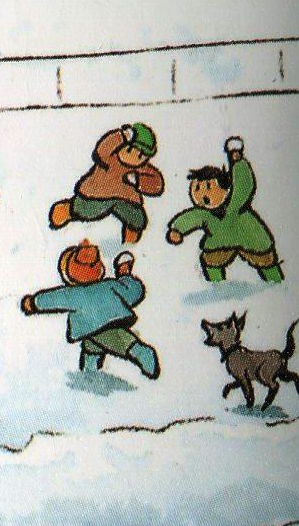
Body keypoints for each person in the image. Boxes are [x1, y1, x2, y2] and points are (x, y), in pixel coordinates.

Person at [23, 241, 160, 380]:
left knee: (124, 343)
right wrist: (125, 274)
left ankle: (144, 353)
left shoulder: (73, 294)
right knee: (92, 348)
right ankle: (89, 374)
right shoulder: (109, 285)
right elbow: (133, 292)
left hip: (102, 328)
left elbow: (52, 299)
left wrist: (33, 303)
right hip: (99, 328)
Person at [167, 136, 283, 283]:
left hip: (251, 237)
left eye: (209, 187)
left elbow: (244, 184)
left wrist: (238, 161)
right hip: (220, 241)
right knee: (211, 260)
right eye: (197, 189)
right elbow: (191, 217)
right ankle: (217, 286)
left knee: (266, 260)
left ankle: (277, 282)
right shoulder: (205, 214)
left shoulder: (235, 202)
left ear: (225, 188)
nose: (203, 196)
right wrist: (177, 230)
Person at [50, 123, 165, 239]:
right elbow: (102, 150)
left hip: (126, 199)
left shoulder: (142, 168)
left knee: (137, 220)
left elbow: (157, 184)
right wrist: (123, 135)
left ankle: (130, 242)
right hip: (98, 194)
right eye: (130, 150)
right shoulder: (110, 158)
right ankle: (65, 211)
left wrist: (138, 180)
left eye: (142, 156)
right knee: (83, 210)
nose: (136, 157)